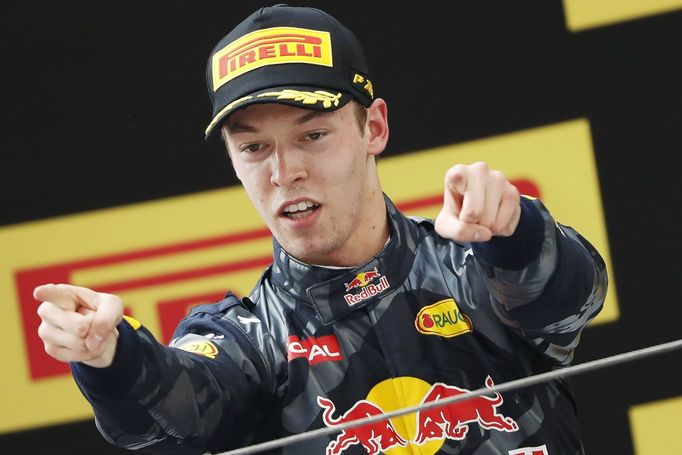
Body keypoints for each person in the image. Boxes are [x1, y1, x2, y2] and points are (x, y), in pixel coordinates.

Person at [34, 4, 607, 455]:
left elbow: (575, 301)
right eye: (255, 147)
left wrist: (517, 231)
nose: (285, 172)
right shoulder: (248, 341)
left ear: (373, 128)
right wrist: (111, 358)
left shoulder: (472, 267)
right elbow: (173, 416)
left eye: (313, 135)